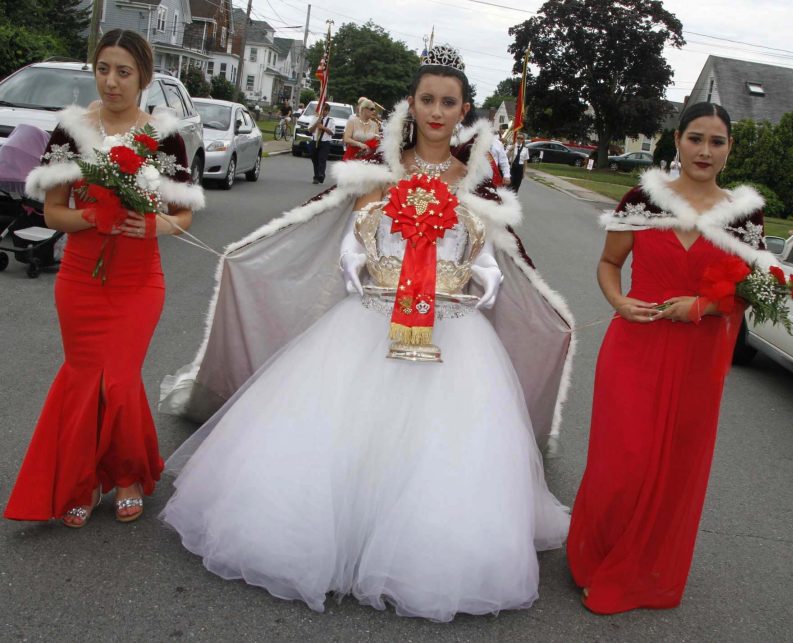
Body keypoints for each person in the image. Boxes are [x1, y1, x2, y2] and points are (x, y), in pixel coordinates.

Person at [158, 44, 573, 622]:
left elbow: (492, 266)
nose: (436, 111)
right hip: (371, 320)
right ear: (414, 104)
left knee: (443, 448)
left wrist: (469, 289)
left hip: (452, 331)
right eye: (426, 99)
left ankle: (415, 553)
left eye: (448, 102)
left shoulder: (477, 186)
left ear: (464, 111)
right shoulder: (380, 173)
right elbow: (350, 247)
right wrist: (370, 278)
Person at [567, 102, 774, 615]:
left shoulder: (744, 214)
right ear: (676, 140)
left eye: (717, 142)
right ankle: (599, 555)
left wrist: (704, 305)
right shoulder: (643, 199)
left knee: (675, 467)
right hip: (635, 343)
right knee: (624, 460)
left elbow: (752, 291)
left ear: (729, 150)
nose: (705, 151)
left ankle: (642, 570)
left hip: (699, 356)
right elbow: (610, 263)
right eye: (696, 138)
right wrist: (618, 301)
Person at [4, 29, 205, 527]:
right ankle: (84, 479)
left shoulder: (165, 136)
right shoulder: (70, 132)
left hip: (139, 281)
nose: (111, 82)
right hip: (79, 278)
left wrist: (150, 222)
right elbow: (52, 214)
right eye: (103, 69)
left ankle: (127, 474)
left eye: (123, 72)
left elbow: (183, 216)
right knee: (83, 377)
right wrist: (94, 217)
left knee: (116, 379)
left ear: (144, 78)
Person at [308, 102, 333, 184]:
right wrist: (317, 123)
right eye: (322, 110)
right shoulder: (315, 118)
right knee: (315, 159)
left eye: (325, 110)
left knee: (322, 159)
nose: (323, 112)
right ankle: (316, 175)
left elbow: (332, 132)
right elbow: (310, 130)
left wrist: (323, 127)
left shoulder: (331, 121)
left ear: (328, 111)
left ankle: (320, 175)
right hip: (314, 141)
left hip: (325, 142)